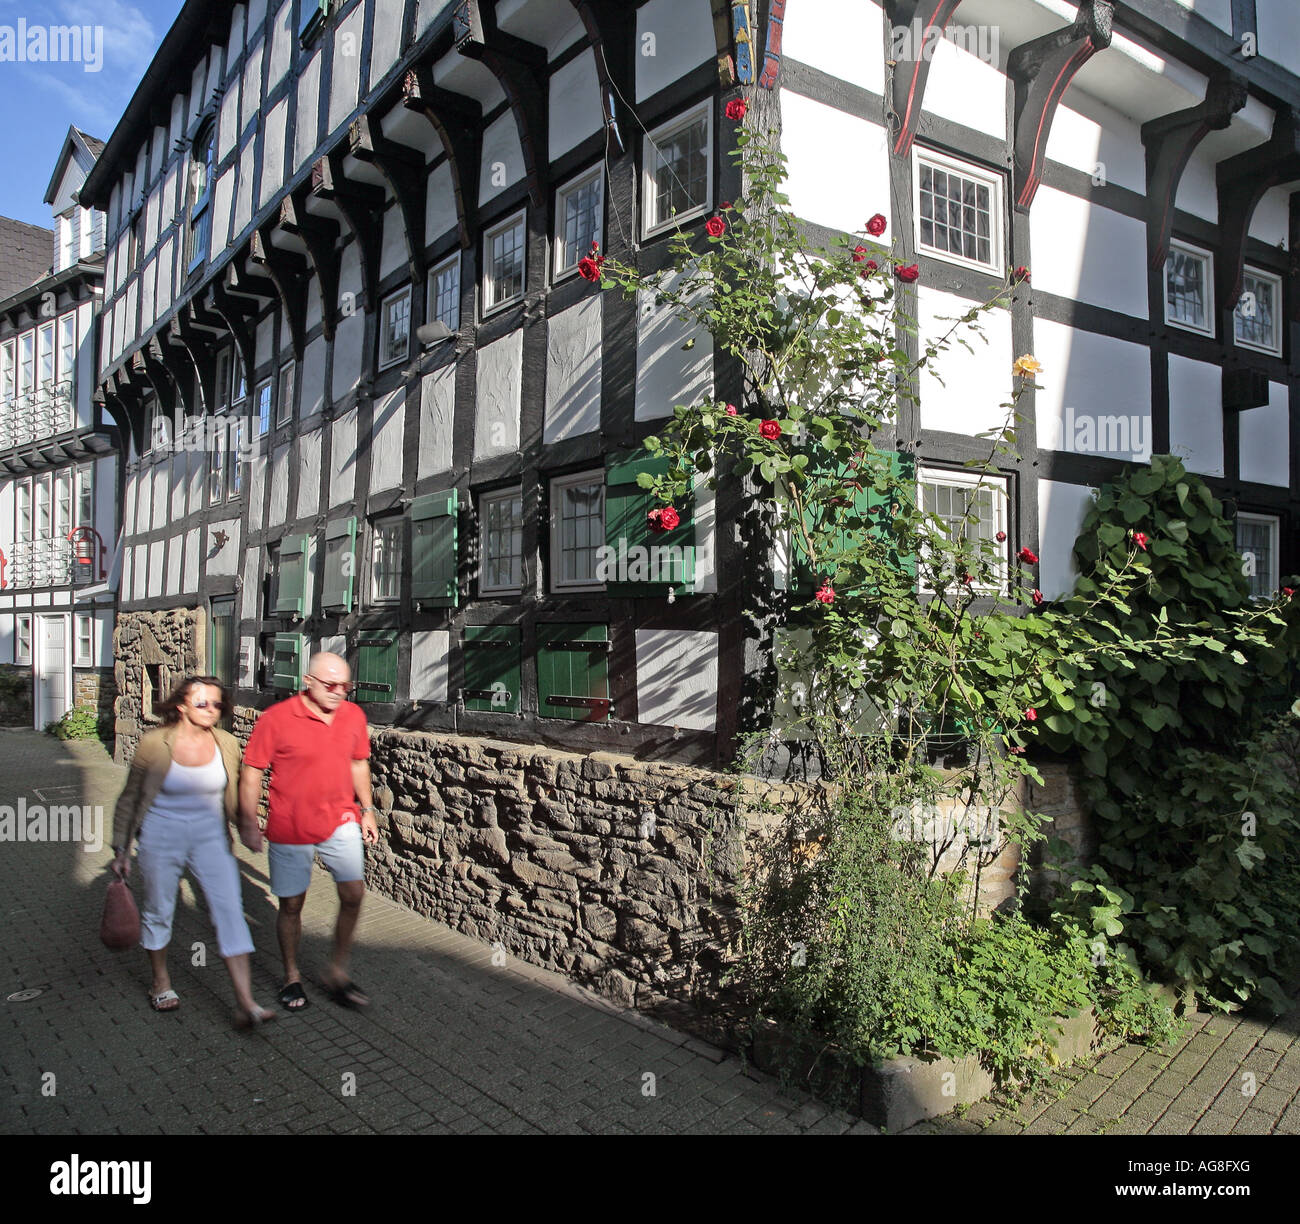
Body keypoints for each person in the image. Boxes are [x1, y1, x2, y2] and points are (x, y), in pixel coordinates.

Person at [111, 676, 276, 1029]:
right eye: (202, 703)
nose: (211, 710)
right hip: (160, 835)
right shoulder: (155, 743)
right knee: (159, 908)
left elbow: (234, 792)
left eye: (217, 704)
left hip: (211, 838)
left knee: (231, 911)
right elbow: (130, 798)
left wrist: (247, 824)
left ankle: (246, 1002)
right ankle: (160, 981)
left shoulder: (227, 743)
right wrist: (121, 849)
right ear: (181, 705)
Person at [239, 652, 378, 1012]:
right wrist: (249, 821)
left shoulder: (353, 716)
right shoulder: (276, 720)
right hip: (291, 826)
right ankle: (291, 975)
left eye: (345, 686)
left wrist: (367, 810)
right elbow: (252, 771)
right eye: (330, 684)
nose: (338, 692)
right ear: (308, 681)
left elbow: (358, 763)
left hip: (340, 820)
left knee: (353, 894)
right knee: (291, 905)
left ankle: (336, 970)